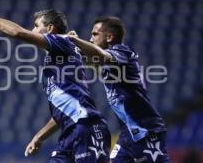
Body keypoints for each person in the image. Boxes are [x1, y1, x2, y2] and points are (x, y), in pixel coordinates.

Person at [0, 4, 111, 162]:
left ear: (50, 28)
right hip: (71, 131)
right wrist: (38, 137)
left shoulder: (62, 42)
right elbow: (65, 110)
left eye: (36, 26)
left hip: (86, 127)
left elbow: (17, 32)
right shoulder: (58, 59)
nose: (32, 30)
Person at [68, 16, 170, 162]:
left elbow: (101, 56)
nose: (91, 39)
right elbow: (96, 66)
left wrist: (76, 41)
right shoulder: (112, 66)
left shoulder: (123, 53)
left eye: (95, 34)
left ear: (109, 37)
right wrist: (80, 51)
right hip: (127, 135)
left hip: (147, 132)